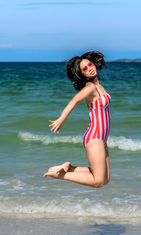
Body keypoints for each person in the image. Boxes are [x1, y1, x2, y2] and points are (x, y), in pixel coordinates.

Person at [43, 51, 111, 188]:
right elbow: (74, 101)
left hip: (102, 138)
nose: (90, 69)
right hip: (94, 136)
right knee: (97, 181)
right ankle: (60, 174)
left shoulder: (98, 85)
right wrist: (60, 120)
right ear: (82, 74)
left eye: (90, 64)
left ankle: (69, 168)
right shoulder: (90, 88)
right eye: (84, 69)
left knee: (105, 179)